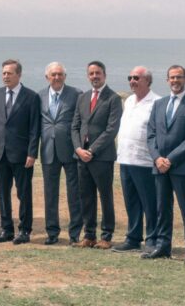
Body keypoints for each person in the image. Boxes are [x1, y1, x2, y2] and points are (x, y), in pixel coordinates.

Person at [144, 65, 185, 264]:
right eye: (172, 78)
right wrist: (157, 158)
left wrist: (170, 159)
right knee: (162, 208)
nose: (175, 81)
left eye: (179, 77)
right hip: (159, 166)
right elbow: (150, 135)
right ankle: (163, 246)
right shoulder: (159, 104)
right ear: (167, 80)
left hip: (182, 166)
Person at [0, 59, 41, 245]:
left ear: (19, 75)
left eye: (9, 73)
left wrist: (32, 153)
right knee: (2, 193)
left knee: (23, 193)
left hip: (22, 155)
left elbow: (35, 128)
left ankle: (24, 230)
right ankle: (6, 229)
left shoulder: (31, 97)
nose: (5, 76)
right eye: (3, 73)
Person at [71, 60, 122, 250]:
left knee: (105, 196)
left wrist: (92, 150)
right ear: (88, 76)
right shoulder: (82, 98)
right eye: (91, 73)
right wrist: (78, 149)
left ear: (104, 75)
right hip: (81, 156)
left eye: (98, 73)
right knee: (86, 197)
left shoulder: (113, 98)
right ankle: (89, 235)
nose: (94, 76)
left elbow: (111, 130)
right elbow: (75, 126)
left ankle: (106, 236)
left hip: (101, 157)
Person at [112, 66, 159, 253]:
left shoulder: (156, 102)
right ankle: (133, 238)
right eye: (130, 77)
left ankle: (153, 239)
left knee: (149, 202)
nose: (132, 81)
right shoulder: (129, 100)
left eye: (137, 78)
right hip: (125, 159)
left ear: (147, 80)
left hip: (145, 161)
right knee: (131, 202)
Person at [39, 62, 83, 245]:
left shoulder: (76, 94)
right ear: (47, 77)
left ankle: (74, 234)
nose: (56, 77)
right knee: (50, 193)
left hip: (70, 150)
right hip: (48, 150)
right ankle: (52, 232)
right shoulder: (39, 95)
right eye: (53, 74)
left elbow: (80, 122)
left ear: (65, 76)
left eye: (60, 74)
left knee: (74, 193)